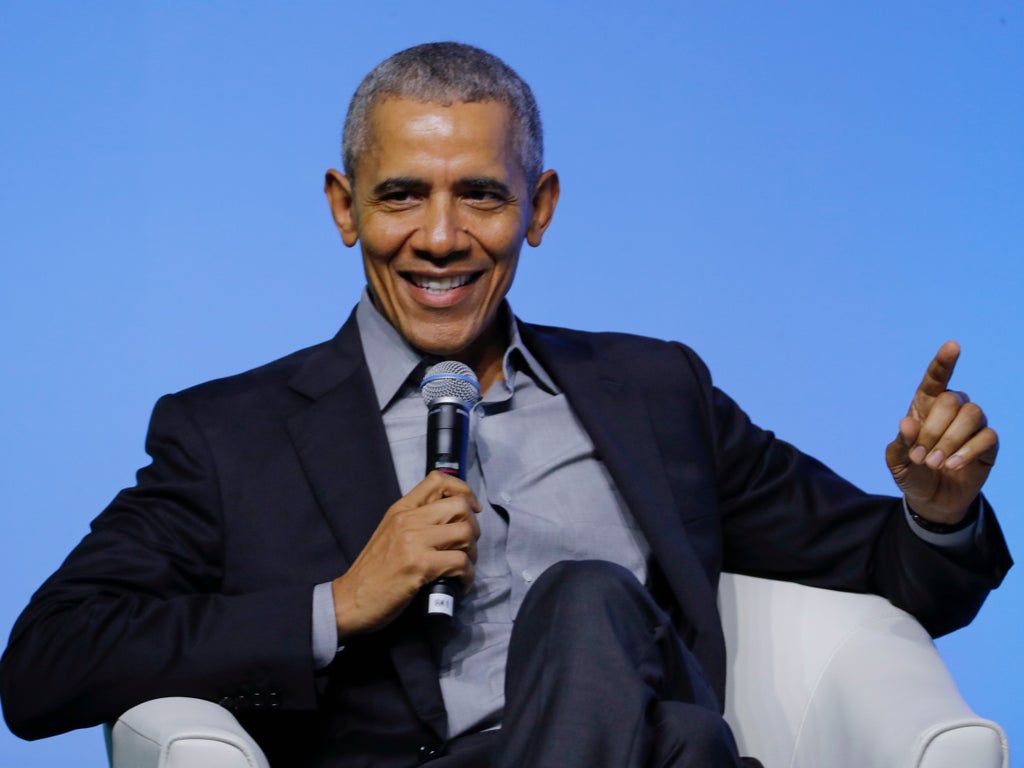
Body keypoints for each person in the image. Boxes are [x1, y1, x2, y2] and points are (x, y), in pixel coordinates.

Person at [0, 42, 1012, 768]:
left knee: (592, 605)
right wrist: (339, 605)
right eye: (401, 195)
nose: (441, 237)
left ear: (540, 207)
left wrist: (938, 511)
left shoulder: (655, 391)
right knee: (683, 731)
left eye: (480, 194)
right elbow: (45, 666)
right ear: (344, 207)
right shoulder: (233, 434)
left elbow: (892, 578)